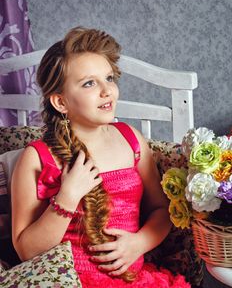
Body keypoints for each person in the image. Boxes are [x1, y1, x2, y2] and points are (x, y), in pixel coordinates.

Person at [11, 27, 190, 288]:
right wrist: (67, 197)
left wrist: (140, 242)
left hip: (136, 280)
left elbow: (161, 210)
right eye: (89, 83)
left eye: (109, 78)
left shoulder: (131, 140)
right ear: (61, 102)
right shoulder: (38, 158)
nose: (107, 91)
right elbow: (26, 251)